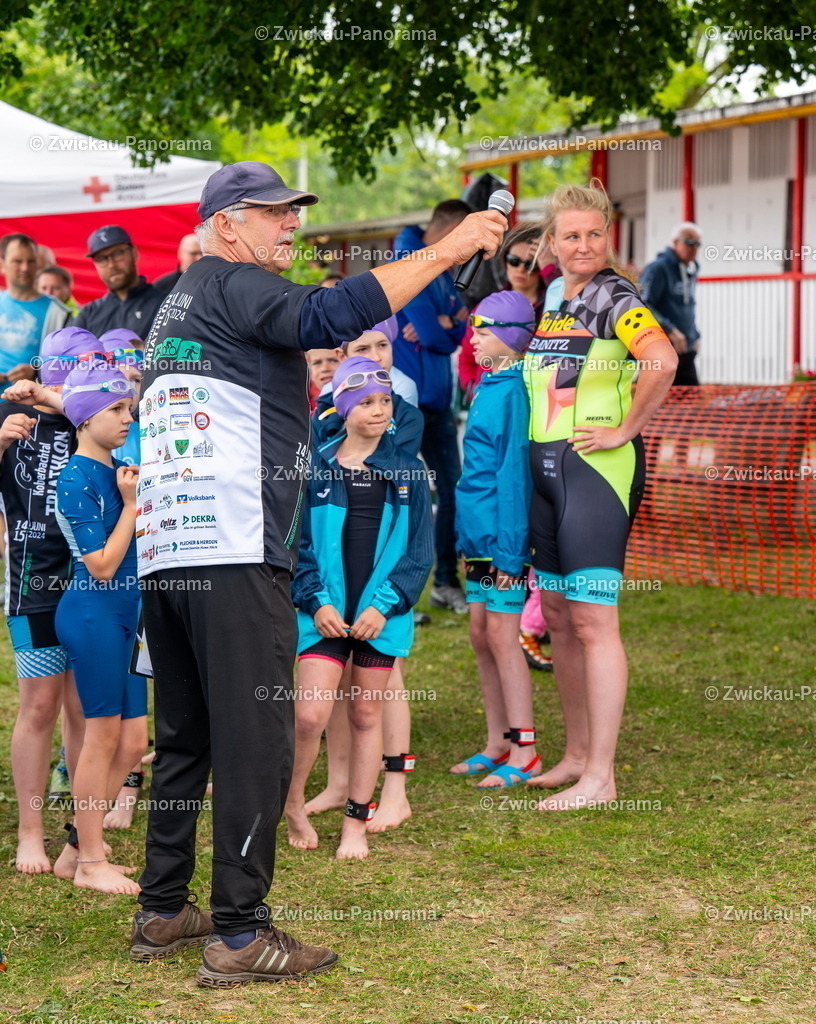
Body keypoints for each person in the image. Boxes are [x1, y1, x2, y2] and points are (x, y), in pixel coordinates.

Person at [129, 160, 504, 986]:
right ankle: (239, 932)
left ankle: (162, 909)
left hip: (170, 550)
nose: (292, 223)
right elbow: (329, 312)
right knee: (258, 735)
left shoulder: (179, 299)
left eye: (293, 209)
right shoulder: (235, 281)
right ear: (227, 224)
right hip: (234, 543)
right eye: (274, 212)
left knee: (186, 736)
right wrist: (449, 250)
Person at [520, 182, 677, 811]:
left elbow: (661, 360)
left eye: (593, 233)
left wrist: (625, 429)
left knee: (592, 621)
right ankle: (578, 756)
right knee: (558, 617)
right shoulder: (557, 300)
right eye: (570, 235)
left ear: (607, 236)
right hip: (545, 473)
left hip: (595, 473)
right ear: (551, 243)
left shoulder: (616, 296)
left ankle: (602, 777)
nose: (583, 245)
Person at [286, 358, 433, 858]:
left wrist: (384, 607)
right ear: (342, 407)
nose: (378, 410)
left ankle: (355, 823)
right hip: (324, 614)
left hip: (378, 618)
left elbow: (419, 553)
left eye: (385, 400)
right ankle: (292, 803)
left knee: (367, 715)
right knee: (310, 716)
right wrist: (316, 600)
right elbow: (297, 544)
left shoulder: (409, 471)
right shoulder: (316, 466)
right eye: (366, 401)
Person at [0, 327, 95, 873]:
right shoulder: (9, 414)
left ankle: (81, 837)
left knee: (84, 709)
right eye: (66, 369)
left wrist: (54, 399)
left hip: (91, 581)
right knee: (39, 707)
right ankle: (30, 832)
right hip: (32, 581)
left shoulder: (93, 417)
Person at [449, 292, 540, 787]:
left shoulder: (514, 393)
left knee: (504, 638)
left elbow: (513, 476)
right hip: (477, 539)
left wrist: (510, 552)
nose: (473, 338)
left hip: (501, 543)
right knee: (481, 635)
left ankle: (526, 751)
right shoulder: (488, 384)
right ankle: (497, 741)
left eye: (483, 330)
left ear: (511, 336)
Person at [392, 199, 472, 614]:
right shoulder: (409, 261)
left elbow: (461, 328)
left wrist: (450, 323)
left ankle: (445, 581)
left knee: (454, 489)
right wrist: (446, 324)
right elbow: (433, 334)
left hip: (439, 402)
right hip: (405, 403)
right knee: (397, 496)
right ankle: (390, 594)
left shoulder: (443, 265)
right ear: (453, 229)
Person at [0, 234, 71, 385]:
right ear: (2, 264)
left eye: (31, 261)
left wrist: (35, 371)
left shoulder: (59, 313)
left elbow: (72, 362)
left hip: (34, 398)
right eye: (18, 261)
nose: (25, 268)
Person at [639, 222, 702, 386]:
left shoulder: (689, 270)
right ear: (675, 242)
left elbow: (687, 307)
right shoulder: (658, 269)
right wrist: (670, 329)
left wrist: (694, 335)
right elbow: (642, 305)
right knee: (658, 397)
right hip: (662, 349)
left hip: (685, 349)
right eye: (689, 242)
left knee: (690, 397)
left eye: (697, 244)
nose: (694, 248)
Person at [75, 227, 165, 340]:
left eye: (118, 254)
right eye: (101, 259)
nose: (111, 265)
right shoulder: (88, 315)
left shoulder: (165, 304)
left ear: (134, 253)